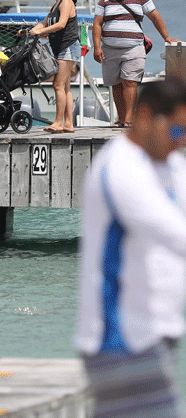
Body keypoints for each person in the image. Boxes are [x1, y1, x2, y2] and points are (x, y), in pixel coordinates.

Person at [76, 79, 186, 418]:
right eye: (178, 132)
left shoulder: (171, 164)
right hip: (119, 338)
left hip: (155, 331)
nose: (181, 143)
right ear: (145, 117)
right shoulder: (120, 169)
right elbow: (174, 233)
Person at [94, 0, 177, 128]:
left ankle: (129, 119)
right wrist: (97, 47)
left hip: (134, 48)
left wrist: (166, 37)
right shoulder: (105, 0)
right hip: (109, 49)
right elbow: (97, 24)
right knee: (116, 84)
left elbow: (155, 17)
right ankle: (121, 118)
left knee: (130, 82)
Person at [28, 0, 79, 133]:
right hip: (61, 48)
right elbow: (43, 24)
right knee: (65, 87)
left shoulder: (66, 2)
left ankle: (58, 122)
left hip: (68, 47)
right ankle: (68, 124)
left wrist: (42, 32)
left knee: (58, 85)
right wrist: (29, 31)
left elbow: (62, 24)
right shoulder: (55, 5)